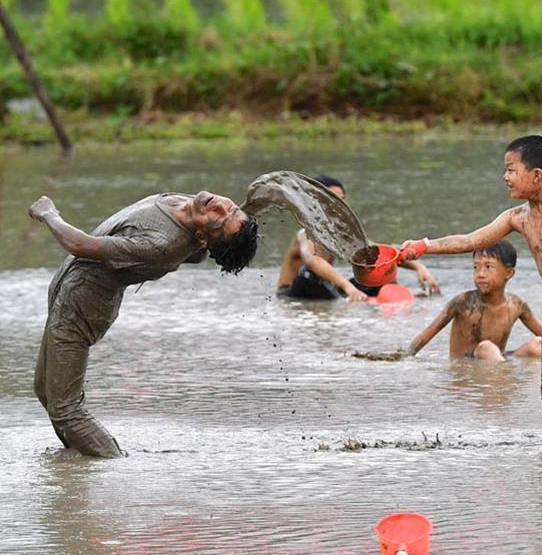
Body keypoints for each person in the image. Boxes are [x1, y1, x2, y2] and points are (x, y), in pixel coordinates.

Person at [400, 135, 542, 444]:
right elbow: (470, 240)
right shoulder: (517, 218)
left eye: (511, 169)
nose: (505, 177)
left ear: (537, 176)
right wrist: (423, 246)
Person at [30, 191, 258, 458]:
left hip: (81, 308)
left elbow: (81, 246)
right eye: (230, 207)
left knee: (65, 409)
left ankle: (113, 465)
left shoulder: (163, 245)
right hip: (66, 294)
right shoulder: (195, 208)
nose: (220, 206)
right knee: (44, 389)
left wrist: (48, 213)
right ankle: (78, 459)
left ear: (201, 238)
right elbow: (202, 250)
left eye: (220, 217)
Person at [276, 175, 440, 301]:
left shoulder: (341, 232)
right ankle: (350, 299)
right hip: (294, 293)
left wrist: (420, 268)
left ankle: (399, 298)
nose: (338, 204)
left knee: (378, 271)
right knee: (309, 274)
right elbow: (313, 262)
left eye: (341, 199)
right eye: (332, 198)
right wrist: (349, 288)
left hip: (326, 289)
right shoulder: (305, 233)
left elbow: (379, 252)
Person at [404, 240, 542, 361]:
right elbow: (429, 332)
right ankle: (504, 379)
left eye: (488, 267)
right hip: (467, 362)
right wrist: (405, 355)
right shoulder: (462, 302)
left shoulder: (516, 305)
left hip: (497, 360)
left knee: (538, 344)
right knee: (486, 348)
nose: (480, 274)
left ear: (509, 273)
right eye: (476, 267)